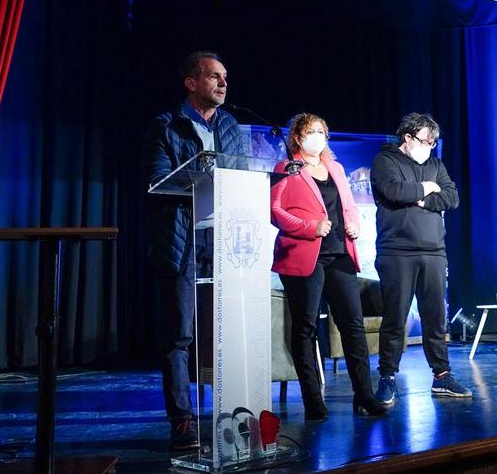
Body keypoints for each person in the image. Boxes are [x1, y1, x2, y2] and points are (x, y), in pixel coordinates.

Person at [142, 51, 248, 450]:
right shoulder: (166, 126)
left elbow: (241, 173)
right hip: (182, 237)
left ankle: (237, 411)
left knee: (230, 330)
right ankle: (183, 421)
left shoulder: (232, 125)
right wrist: (203, 178)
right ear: (191, 82)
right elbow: (157, 179)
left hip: (227, 239)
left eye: (225, 77)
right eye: (214, 77)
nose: (223, 84)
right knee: (179, 334)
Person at [271, 114, 389, 419]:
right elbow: (275, 211)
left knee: (353, 326)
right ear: (297, 137)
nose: (318, 137)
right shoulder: (286, 168)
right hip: (303, 257)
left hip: (339, 254)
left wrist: (353, 223)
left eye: (322, 132)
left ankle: (363, 394)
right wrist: (310, 227)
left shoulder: (335, 167)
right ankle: (313, 400)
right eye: (311, 132)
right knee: (306, 328)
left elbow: (347, 205)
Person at [370, 112, 470, 405]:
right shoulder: (385, 161)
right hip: (397, 252)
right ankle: (387, 377)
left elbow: (451, 198)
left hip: (434, 253)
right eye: (427, 140)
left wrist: (420, 198)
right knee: (395, 319)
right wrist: (426, 188)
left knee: (435, 319)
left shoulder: (435, 165)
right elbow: (393, 190)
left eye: (434, 141)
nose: (431, 145)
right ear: (408, 137)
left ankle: (442, 376)